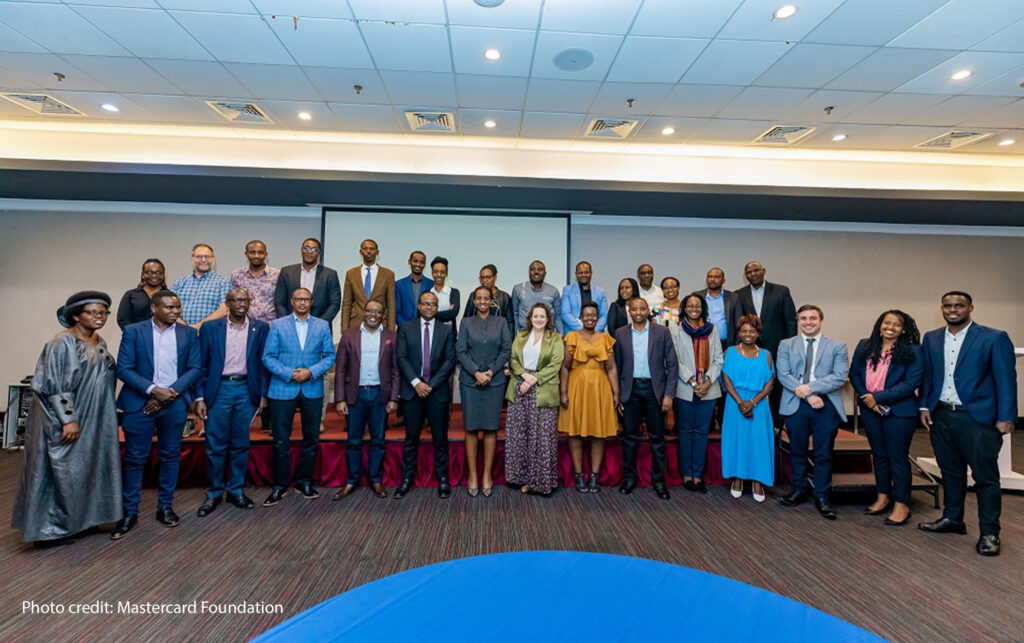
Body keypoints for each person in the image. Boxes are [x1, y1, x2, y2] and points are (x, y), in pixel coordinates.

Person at [13, 292, 121, 545]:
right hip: (68, 419)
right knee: (62, 470)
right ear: (75, 315)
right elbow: (54, 384)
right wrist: (68, 419)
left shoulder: (98, 340)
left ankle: (81, 522)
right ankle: (52, 529)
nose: (99, 317)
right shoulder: (62, 342)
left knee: (85, 468)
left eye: (103, 313)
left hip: (94, 418)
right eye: (92, 312)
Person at [918, 292, 1017, 556]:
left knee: (985, 478)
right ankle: (953, 519)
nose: (953, 310)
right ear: (941, 308)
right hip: (941, 416)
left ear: (970, 307)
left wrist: (1007, 416)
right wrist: (925, 405)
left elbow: (1006, 379)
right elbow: (929, 374)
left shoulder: (994, 338)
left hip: (978, 418)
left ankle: (989, 533)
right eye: (948, 306)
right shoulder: (932, 338)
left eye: (959, 305)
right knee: (951, 473)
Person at [112, 290, 201, 539]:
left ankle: (165, 506)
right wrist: (153, 390)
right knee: (134, 458)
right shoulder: (133, 331)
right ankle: (129, 512)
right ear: (154, 308)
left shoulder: (188, 333)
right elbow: (124, 369)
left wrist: (170, 393)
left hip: (174, 403)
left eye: (178, 307)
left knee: (170, 456)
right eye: (170, 308)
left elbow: (195, 368)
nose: (176, 312)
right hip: (138, 403)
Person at [193, 288, 269, 517]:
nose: (240, 303)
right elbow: (200, 365)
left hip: (247, 390)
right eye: (235, 300)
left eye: (244, 299)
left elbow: (263, 365)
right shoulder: (210, 328)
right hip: (219, 389)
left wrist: (263, 395)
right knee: (216, 444)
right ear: (227, 303)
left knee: (240, 444)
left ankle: (236, 490)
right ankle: (214, 492)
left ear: (250, 302)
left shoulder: (261, 328)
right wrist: (199, 397)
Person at [261, 287, 336, 506]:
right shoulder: (277, 325)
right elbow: (268, 357)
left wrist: (311, 371)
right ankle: (280, 485)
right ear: (292, 302)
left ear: (311, 302)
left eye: (306, 299)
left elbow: (330, 356)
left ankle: (304, 482)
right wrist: (289, 373)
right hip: (283, 388)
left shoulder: (322, 326)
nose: (302, 303)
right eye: (298, 299)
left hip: (311, 387)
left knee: (311, 439)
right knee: (281, 439)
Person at [849, 310, 923, 526]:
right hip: (871, 411)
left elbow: (911, 383)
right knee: (879, 455)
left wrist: (878, 397)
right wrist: (867, 398)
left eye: (896, 325)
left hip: (900, 411)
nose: (890, 327)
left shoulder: (913, 350)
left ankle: (902, 504)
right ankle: (882, 497)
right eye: (886, 323)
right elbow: (854, 374)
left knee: (897, 456)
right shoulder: (865, 345)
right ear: (879, 324)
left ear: (904, 329)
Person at [776, 305, 849, 520]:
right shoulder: (786, 344)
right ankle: (799, 489)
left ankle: (822, 495)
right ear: (798, 321)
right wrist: (808, 395)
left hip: (825, 406)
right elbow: (783, 374)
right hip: (796, 404)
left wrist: (811, 388)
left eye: (813, 318)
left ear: (821, 320)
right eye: (804, 318)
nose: (808, 322)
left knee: (823, 453)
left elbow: (839, 376)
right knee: (797, 450)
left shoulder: (837, 346)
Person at [613, 297, 679, 500]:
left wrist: (668, 395)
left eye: (642, 308)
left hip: (654, 391)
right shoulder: (620, 333)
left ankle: (659, 482)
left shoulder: (662, 332)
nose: (639, 312)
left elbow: (672, 365)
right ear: (629, 311)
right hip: (630, 390)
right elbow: (616, 365)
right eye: (635, 309)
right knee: (629, 438)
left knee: (657, 438)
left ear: (648, 310)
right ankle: (630, 479)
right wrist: (618, 395)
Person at [334, 300, 400, 499]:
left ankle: (376, 480)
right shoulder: (349, 335)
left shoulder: (391, 336)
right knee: (353, 440)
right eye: (370, 310)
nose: (373, 314)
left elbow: (396, 369)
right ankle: (351, 481)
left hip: (380, 395)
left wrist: (394, 397)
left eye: (378, 311)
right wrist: (339, 399)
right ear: (364, 312)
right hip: (356, 394)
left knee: (378, 440)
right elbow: (340, 370)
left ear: (383, 314)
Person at [394, 291, 456, 499]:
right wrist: (416, 383)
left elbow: (449, 360)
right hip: (413, 392)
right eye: (425, 304)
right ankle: (406, 479)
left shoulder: (446, 331)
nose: (429, 307)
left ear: (437, 308)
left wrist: (430, 384)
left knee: (440, 438)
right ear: (419, 306)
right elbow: (401, 357)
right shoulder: (406, 328)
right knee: (411, 437)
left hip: (437, 392)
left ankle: (443, 479)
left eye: (433, 304)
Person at [457, 285, 513, 497]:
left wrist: (490, 372)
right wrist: (476, 373)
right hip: (470, 383)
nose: (481, 301)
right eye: (478, 298)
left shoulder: (501, 322)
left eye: (485, 298)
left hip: (495, 382)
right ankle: (473, 476)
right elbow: (460, 351)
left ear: (491, 301)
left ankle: (487, 475)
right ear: (473, 301)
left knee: (490, 429)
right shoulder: (466, 322)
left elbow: (506, 350)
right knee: (471, 429)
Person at [505, 303, 564, 496]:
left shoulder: (555, 338)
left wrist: (533, 379)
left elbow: (556, 363)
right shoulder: (521, 336)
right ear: (530, 318)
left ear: (548, 319)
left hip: (543, 389)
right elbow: (513, 358)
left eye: (542, 316)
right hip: (519, 389)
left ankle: (539, 482)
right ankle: (520, 478)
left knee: (542, 437)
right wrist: (524, 375)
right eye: (535, 316)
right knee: (519, 434)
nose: (539, 319)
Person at [560, 301, 619, 493]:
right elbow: (565, 367)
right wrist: (563, 392)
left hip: (600, 389)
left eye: (594, 315)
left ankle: (594, 475)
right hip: (577, 387)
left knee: (598, 433)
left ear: (598, 317)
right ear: (580, 317)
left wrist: (615, 392)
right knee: (575, 432)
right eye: (586, 315)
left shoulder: (605, 338)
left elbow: (611, 368)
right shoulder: (572, 337)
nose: (590, 318)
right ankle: (578, 475)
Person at [720, 315, 775, 503]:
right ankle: (738, 479)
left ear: (758, 333)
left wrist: (752, 402)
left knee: (759, 443)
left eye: (752, 331)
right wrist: (740, 402)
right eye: (744, 330)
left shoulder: (766, 354)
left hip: (759, 405)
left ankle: (758, 481)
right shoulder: (730, 352)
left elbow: (770, 382)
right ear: (739, 333)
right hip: (735, 403)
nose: (748, 334)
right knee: (737, 441)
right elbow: (726, 378)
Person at [671, 295, 723, 493]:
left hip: (709, 390)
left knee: (701, 433)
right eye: (690, 306)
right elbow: (675, 360)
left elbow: (719, 359)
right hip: (685, 389)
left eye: (697, 306)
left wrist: (707, 382)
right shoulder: (675, 331)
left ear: (703, 309)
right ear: (684, 308)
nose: (694, 308)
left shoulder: (712, 331)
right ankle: (686, 475)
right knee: (685, 432)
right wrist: (693, 381)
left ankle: (697, 475)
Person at [734, 261, 797, 422]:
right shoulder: (739, 294)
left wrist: (789, 346)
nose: (753, 274)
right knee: (749, 383)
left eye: (756, 270)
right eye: (749, 272)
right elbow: (737, 323)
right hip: (748, 348)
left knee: (776, 384)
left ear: (764, 271)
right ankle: (751, 416)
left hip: (776, 345)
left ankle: (777, 422)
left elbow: (790, 320)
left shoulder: (781, 291)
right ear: (745, 275)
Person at [274, 238, 342, 328]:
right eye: (307, 248)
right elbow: (279, 301)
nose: (310, 252)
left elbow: (335, 303)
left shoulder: (330, 274)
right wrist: (288, 322)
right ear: (301, 250)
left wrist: (319, 324)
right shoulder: (287, 272)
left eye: (314, 250)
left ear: (319, 253)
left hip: (319, 329)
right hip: (289, 327)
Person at [171, 243, 232, 329]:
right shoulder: (179, 283)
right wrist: (186, 328)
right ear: (192, 259)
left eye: (207, 257)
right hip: (182, 333)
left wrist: (199, 326)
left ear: (213, 259)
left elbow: (225, 309)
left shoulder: (223, 283)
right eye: (199, 256)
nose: (203, 260)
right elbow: (169, 308)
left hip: (210, 333)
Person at [342, 238, 397, 331]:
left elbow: (391, 305)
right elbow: (346, 304)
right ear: (360, 251)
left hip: (380, 324)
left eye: (372, 249)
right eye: (365, 248)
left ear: (377, 252)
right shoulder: (351, 273)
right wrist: (344, 329)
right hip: (356, 323)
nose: (368, 251)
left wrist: (391, 330)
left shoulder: (388, 274)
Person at [230, 240, 280, 323]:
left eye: (260, 252)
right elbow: (231, 301)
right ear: (246, 254)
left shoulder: (277, 275)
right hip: (244, 326)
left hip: (270, 325)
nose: (256, 256)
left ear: (266, 255)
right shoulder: (237, 275)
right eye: (252, 252)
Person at [693, 267, 739, 350]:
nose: (713, 279)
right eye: (710, 277)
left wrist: (736, 346)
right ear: (706, 279)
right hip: (702, 342)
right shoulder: (697, 296)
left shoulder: (733, 297)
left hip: (726, 344)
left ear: (723, 280)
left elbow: (738, 323)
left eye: (717, 277)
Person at [511, 260, 562, 334]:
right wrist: (516, 335)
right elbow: (515, 314)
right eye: (533, 269)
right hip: (525, 333)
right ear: (529, 272)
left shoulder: (553, 291)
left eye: (540, 269)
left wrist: (561, 335)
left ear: (545, 273)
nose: (536, 272)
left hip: (547, 334)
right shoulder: (518, 289)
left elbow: (557, 316)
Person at [462, 264, 513, 334]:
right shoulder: (473, 295)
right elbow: (466, 318)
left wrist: (509, 341)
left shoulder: (504, 297)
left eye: (488, 277)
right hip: (476, 336)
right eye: (482, 278)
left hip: (498, 337)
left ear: (495, 278)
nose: (484, 280)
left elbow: (510, 323)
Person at [117, 259, 166, 329]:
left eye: (158, 273)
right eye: (149, 272)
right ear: (143, 275)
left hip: (163, 337)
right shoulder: (131, 295)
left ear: (163, 275)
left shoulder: (169, 296)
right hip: (135, 337)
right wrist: (136, 334)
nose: (154, 276)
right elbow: (123, 320)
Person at [561, 261, 608, 335]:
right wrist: (584, 330)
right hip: (573, 334)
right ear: (576, 274)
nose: (583, 275)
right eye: (580, 273)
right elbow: (565, 314)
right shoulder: (568, 290)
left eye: (586, 272)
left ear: (591, 273)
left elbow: (604, 315)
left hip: (596, 334)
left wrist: (594, 331)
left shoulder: (600, 292)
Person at [395, 250, 428, 327]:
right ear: (409, 262)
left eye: (421, 262)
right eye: (415, 261)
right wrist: (407, 327)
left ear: (424, 264)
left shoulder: (431, 284)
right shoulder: (399, 285)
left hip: (425, 330)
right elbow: (396, 311)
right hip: (404, 330)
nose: (418, 264)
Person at [428, 256, 461, 332]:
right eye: (436, 272)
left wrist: (431, 313)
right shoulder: (427, 293)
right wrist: (446, 312)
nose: (439, 275)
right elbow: (421, 314)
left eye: (442, 272)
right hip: (430, 333)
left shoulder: (454, 293)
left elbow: (452, 314)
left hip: (449, 334)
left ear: (446, 274)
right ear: (432, 273)